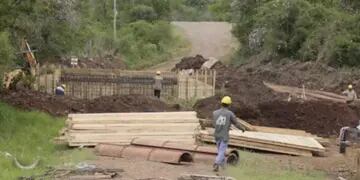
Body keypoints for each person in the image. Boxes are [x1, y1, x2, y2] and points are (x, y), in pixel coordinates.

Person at [212, 96, 245, 172]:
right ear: (229, 104)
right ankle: (216, 163)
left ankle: (223, 166)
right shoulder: (230, 114)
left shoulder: (215, 113)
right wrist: (242, 128)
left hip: (217, 135)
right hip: (224, 136)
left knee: (220, 151)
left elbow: (213, 124)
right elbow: (236, 123)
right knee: (222, 151)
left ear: (221, 103)